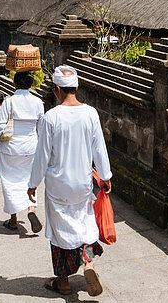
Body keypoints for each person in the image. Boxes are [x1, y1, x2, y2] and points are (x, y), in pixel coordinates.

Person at [28, 66, 112, 297]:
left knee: (59, 231)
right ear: (76, 87)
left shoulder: (51, 117)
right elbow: (99, 149)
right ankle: (88, 263)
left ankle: (63, 281)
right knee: (84, 224)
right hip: (83, 183)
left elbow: (42, 155)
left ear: (57, 90)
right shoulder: (91, 113)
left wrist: (32, 183)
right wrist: (105, 177)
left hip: (58, 185)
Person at [0, 73, 44, 231]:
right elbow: (41, 128)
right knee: (30, 179)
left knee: (9, 182)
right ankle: (32, 208)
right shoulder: (38, 102)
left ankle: (13, 220)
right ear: (31, 85)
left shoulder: (9, 101)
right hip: (31, 146)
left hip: (10, 148)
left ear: (15, 84)